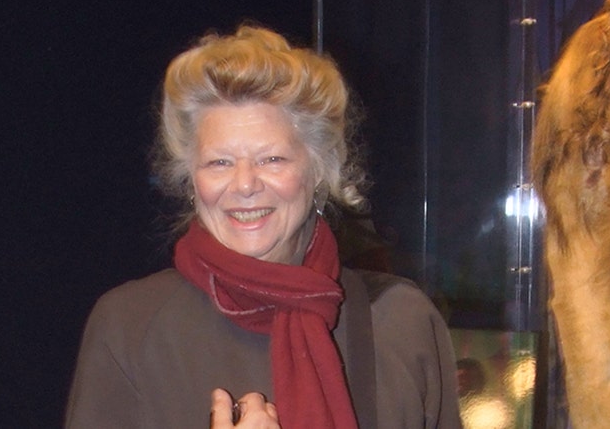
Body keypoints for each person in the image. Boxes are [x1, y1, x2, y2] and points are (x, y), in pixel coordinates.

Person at [65, 25, 462, 429]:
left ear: (320, 172)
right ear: (191, 180)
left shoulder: (401, 321)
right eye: (219, 162)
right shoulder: (129, 327)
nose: (244, 184)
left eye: (272, 159)